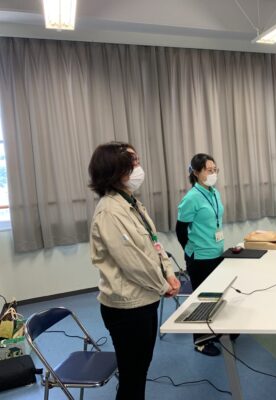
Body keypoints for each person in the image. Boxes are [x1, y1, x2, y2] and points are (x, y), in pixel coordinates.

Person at [89, 142, 180, 400]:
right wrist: (163, 285)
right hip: (127, 308)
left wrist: (169, 273)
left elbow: (154, 244)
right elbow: (133, 263)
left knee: (139, 372)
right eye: (134, 163)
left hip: (145, 299)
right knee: (132, 377)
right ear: (115, 170)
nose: (139, 168)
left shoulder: (131, 203)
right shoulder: (110, 211)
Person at [176, 153, 225, 357]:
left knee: (217, 296)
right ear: (196, 173)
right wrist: (191, 250)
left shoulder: (214, 193)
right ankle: (200, 341)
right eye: (209, 170)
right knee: (202, 299)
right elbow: (180, 229)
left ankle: (215, 331)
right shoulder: (191, 198)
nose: (213, 174)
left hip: (217, 252)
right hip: (199, 258)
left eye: (215, 170)